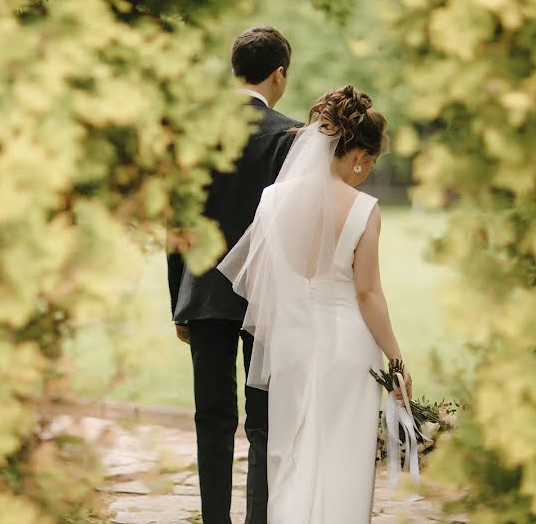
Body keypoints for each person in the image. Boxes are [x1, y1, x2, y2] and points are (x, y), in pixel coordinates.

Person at [218, 85, 412, 523]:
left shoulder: (273, 199)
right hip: (349, 347)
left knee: (292, 452)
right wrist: (396, 360)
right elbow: (367, 292)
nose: (368, 169)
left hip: (292, 344)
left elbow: (260, 278)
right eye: (371, 160)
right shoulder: (364, 208)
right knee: (344, 454)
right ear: (359, 154)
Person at [167, 26, 300, 524]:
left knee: (213, 419)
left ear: (235, 69)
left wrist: (178, 300)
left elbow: (176, 225)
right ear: (279, 74)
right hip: (268, 301)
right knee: (264, 421)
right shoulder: (289, 140)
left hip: (202, 296)